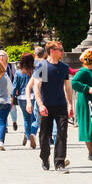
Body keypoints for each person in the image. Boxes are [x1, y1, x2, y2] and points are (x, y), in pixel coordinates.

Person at [34, 41, 74, 172]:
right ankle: (45, 158)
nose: (62, 52)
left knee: (62, 134)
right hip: (46, 106)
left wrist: (70, 104)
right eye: (60, 49)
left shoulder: (63, 67)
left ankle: (60, 163)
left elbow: (67, 86)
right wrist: (40, 105)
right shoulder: (43, 66)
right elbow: (37, 87)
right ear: (52, 51)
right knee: (45, 135)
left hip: (61, 105)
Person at [14, 54, 39, 149]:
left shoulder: (19, 72)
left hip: (22, 97)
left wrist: (12, 97)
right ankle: (33, 133)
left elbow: (14, 86)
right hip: (34, 96)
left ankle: (28, 139)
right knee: (34, 118)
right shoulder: (35, 70)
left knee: (26, 119)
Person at [71, 49, 92, 162]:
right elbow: (74, 83)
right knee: (88, 126)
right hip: (86, 101)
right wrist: (87, 89)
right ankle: (91, 153)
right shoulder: (84, 71)